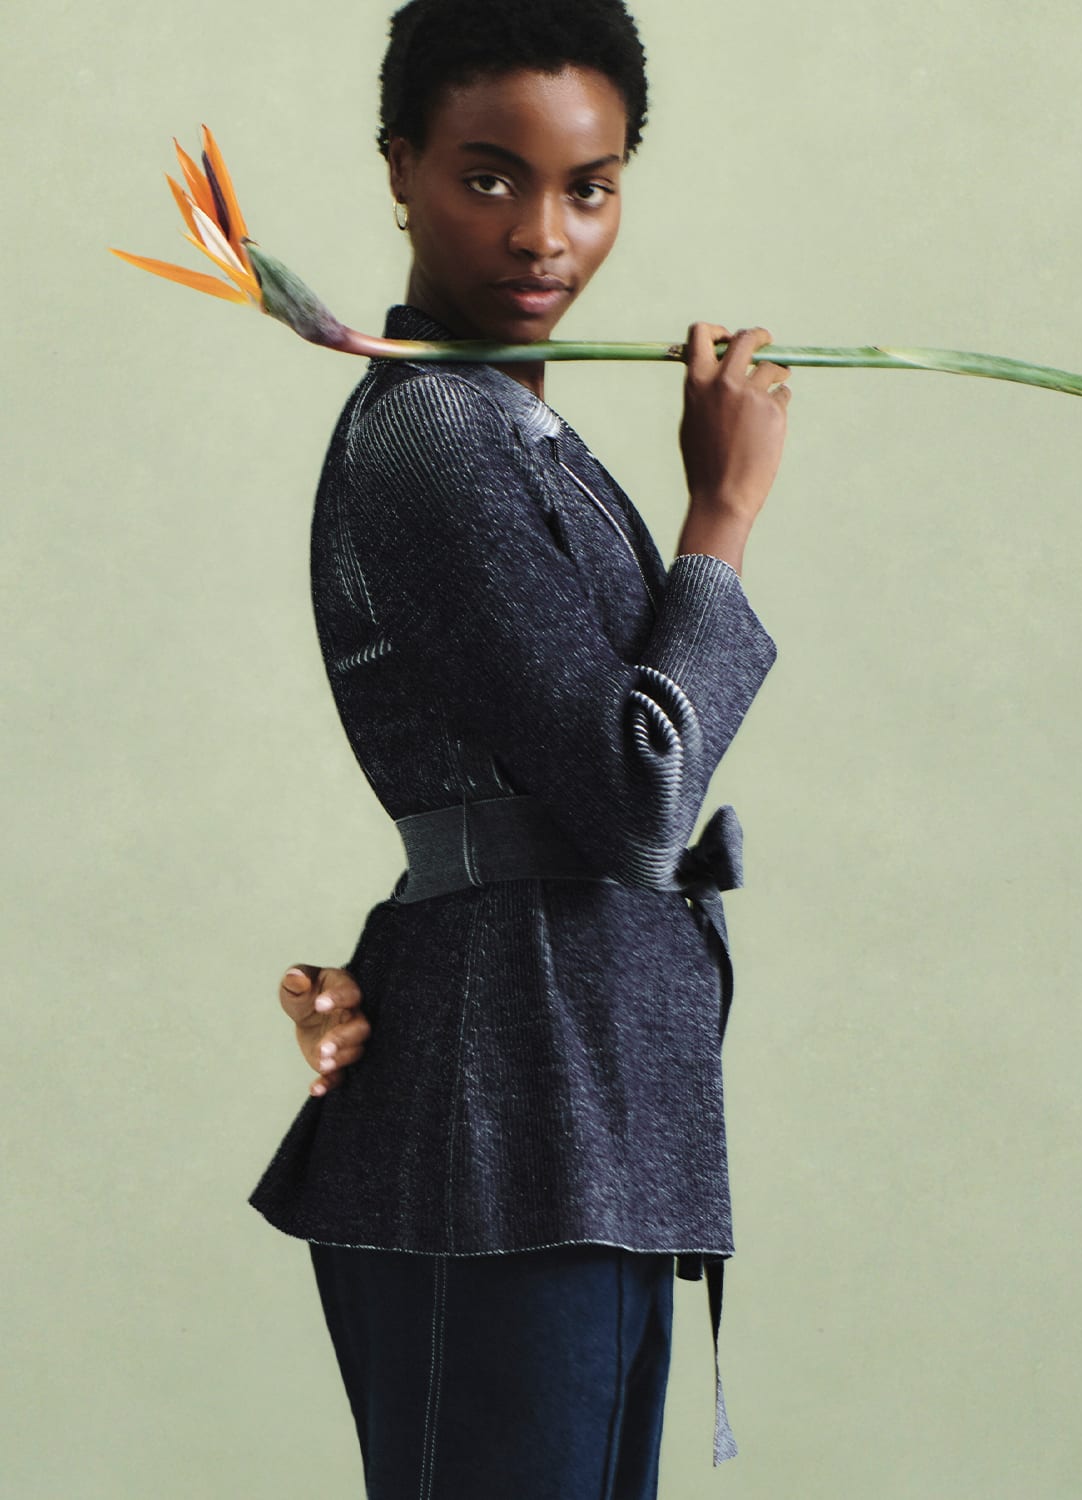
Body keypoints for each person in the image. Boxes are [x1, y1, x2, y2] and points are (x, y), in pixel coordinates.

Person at [246, 1, 791, 1495]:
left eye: (590, 186)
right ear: (401, 166)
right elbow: (631, 801)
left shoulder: (515, 429)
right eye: (490, 177)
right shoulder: (438, 433)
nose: (544, 234)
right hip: (499, 1131)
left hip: (577, 1111)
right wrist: (724, 518)